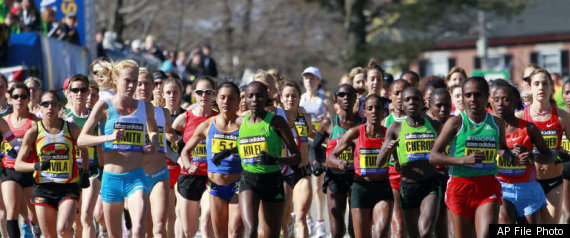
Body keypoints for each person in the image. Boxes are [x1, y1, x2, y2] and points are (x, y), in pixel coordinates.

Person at [77, 59, 160, 238]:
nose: (132, 86)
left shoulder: (146, 107)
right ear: (115, 80)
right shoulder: (104, 106)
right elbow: (81, 140)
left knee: (138, 229)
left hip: (136, 177)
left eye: (135, 81)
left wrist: (154, 144)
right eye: (127, 81)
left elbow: (153, 131)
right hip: (111, 179)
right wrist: (108, 138)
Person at [430, 77, 516, 238]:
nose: (473, 99)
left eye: (477, 95)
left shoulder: (497, 123)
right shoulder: (455, 122)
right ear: (462, 97)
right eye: (468, 95)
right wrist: (463, 160)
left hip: (487, 186)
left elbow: (501, 149)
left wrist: (513, 156)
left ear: (486, 96)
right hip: (460, 187)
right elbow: (433, 156)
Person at [14, 91, 89, 238]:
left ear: (60, 107)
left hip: (68, 186)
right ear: (39, 107)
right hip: (43, 188)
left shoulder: (71, 128)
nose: (50, 107)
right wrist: (36, 166)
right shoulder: (34, 131)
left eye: (54, 104)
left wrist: (85, 172)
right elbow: (18, 164)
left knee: (64, 228)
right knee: (49, 235)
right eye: (45, 104)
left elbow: (84, 150)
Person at [233, 81, 300, 237]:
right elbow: (244, 146)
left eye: (259, 96)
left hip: (273, 180)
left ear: (266, 99)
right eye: (250, 96)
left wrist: (276, 160)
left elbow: (297, 157)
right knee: (250, 230)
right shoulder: (240, 122)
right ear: (245, 100)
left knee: (272, 234)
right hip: (248, 180)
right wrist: (224, 153)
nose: (255, 100)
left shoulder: (277, 122)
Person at [180, 82, 243, 238]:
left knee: (235, 232)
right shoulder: (208, 125)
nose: (226, 102)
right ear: (217, 99)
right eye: (222, 97)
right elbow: (185, 151)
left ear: (238, 101)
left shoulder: (244, 124)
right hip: (215, 186)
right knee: (220, 234)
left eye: (231, 98)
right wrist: (188, 166)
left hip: (238, 185)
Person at [489, 79, 555, 224]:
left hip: (527, 188)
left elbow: (549, 157)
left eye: (506, 99)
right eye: (496, 100)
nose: (500, 104)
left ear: (515, 103)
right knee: (505, 220)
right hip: (501, 186)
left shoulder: (529, 128)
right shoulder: (487, 129)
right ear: (491, 102)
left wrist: (531, 156)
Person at [379, 87, 442, 237]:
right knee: (414, 235)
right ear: (402, 105)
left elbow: (447, 150)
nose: (411, 102)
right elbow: (379, 162)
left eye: (415, 99)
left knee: (425, 231)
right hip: (407, 186)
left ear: (422, 103)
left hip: (430, 184)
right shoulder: (395, 128)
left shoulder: (435, 126)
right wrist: (387, 149)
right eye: (407, 100)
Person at [329, 95, 392, 238]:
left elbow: (398, 160)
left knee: (381, 233)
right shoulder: (355, 132)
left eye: (378, 108)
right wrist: (339, 163)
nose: (374, 111)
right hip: (361, 188)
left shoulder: (389, 133)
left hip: (383, 187)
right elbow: (331, 157)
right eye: (370, 108)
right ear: (364, 112)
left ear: (384, 112)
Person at [311, 83, 360, 238]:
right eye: (341, 95)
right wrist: (316, 163)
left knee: (355, 230)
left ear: (355, 98)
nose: (346, 98)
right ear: (335, 99)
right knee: (337, 231)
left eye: (350, 95)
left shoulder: (363, 124)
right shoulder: (328, 123)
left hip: (357, 177)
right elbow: (314, 147)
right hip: (334, 177)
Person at [521, 69, 570, 224]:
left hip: (553, 180)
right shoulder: (520, 117)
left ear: (551, 88)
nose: (541, 87)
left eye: (545, 83)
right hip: (528, 182)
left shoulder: (562, 117)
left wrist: (564, 154)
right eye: (536, 83)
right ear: (530, 88)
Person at [171, 76, 218, 238]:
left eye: (208, 92)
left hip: (211, 177)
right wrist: (182, 161)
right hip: (189, 177)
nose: (203, 96)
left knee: (206, 221)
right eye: (199, 92)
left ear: (214, 94)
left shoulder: (219, 118)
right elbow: (169, 138)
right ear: (194, 94)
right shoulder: (185, 117)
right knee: (189, 231)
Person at [136, 68, 173, 237]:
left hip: (159, 173)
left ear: (153, 87)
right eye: (139, 84)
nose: (143, 88)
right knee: (143, 230)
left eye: (147, 84)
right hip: (136, 177)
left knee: (159, 227)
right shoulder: (124, 112)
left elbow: (168, 137)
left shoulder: (163, 113)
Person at [64, 75, 102, 238]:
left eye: (83, 90)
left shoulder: (96, 118)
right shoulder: (62, 116)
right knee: (75, 219)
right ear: (69, 93)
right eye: (75, 90)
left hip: (92, 171)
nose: (79, 93)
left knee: (87, 215)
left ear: (88, 93)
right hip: (69, 172)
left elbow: (101, 148)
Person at [2, 82, 40, 238]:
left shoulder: (34, 122)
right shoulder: (4, 120)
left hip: (29, 170)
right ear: (10, 99)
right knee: (12, 209)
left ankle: (36, 228)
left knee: (33, 211)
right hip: (9, 169)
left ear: (28, 99)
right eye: (16, 96)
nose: (19, 100)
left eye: (23, 96)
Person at [300, 66, 334, 236]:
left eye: (313, 78)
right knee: (304, 184)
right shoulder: (299, 100)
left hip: (319, 146)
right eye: (306, 78)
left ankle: (320, 221)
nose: (309, 81)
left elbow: (334, 124)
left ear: (319, 81)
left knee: (318, 185)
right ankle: (306, 219)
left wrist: (326, 120)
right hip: (303, 146)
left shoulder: (325, 101)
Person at [280, 80, 313, 237]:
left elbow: (313, 134)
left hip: (302, 172)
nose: (290, 99)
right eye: (287, 96)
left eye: (294, 96)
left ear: (299, 98)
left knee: (301, 217)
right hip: (284, 173)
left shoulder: (305, 116)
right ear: (281, 98)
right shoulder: (276, 118)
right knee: (284, 221)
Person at [381, 79, 409, 238]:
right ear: (390, 95)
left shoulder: (420, 120)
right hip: (393, 175)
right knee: (398, 226)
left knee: (416, 226)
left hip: (415, 174)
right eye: (396, 93)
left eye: (403, 93)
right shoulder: (385, 123)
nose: (399, 97)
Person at [162, 78, 185, 237]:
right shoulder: (157, 114)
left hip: (184, 169)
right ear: (162, 94)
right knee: (169, 215)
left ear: (181, 93)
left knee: (181, 212)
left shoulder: (187, 115)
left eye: (175, 92)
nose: (172, 96)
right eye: (168, 92)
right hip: (165, 168)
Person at [562, 80, 570, 224]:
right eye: (567, 93)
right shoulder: (558, 116)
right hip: (563, 171)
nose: (569, 96)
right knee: (567, 215)